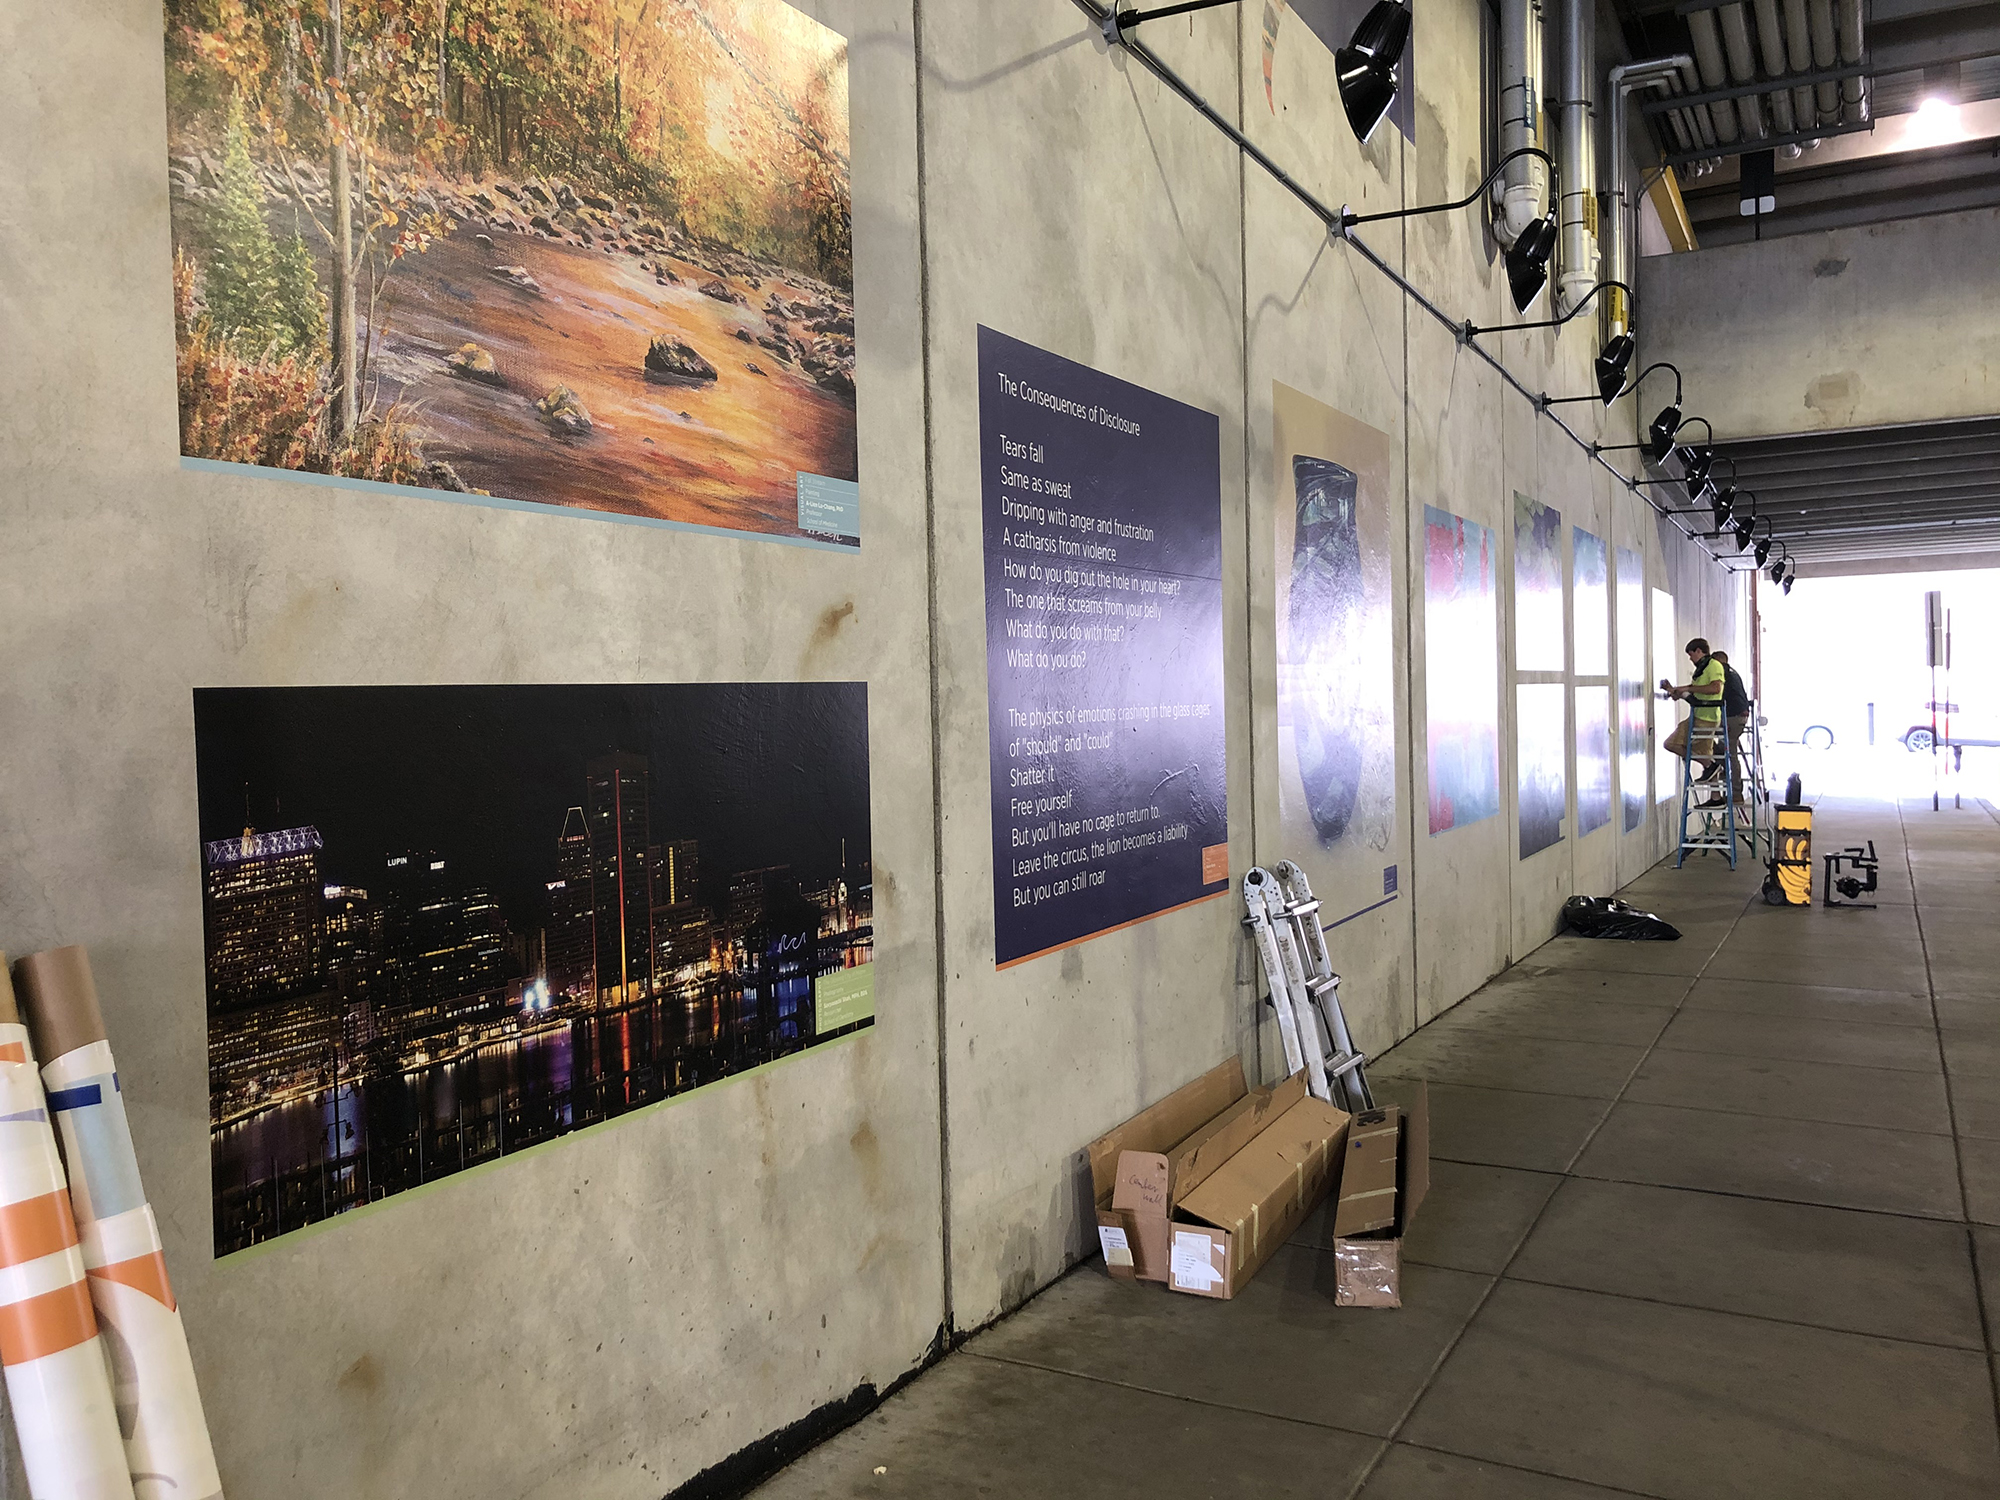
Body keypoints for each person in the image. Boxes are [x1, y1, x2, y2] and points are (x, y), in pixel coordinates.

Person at [1659, 637, 1726, 784]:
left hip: (1706, 718)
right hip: (1702, 715)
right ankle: (1713, 784)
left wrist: (1688, 688)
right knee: (1704, 754)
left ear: (1699, 651)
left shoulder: (1713, 665)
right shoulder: (1701, 670)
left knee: (1671, 744)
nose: (1690, 659)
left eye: (1691, 654)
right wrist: (1674, 690)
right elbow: (1696, 695)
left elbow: (1715, 688)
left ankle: (1709, 765)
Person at [1711, 650, 1753, 791]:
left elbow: (1718, 694)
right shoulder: (1732, 672)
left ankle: (1735, 789)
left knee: (1729, 753)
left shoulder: (1722, 673)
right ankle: (1723, 772)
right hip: (1739, 716)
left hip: (1732, 717)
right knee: (1725, 749)